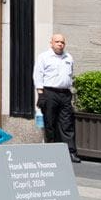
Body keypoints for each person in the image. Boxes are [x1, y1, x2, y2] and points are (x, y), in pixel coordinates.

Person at [33, 32, 80, 162]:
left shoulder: (68, 57)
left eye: (62, 42)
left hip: (65, 93)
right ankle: (51, 152)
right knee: (50, 123)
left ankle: (71, 152)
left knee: (67, 123)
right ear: (51, 43)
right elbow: (38, 75)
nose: (60, 44)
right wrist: (40, 94)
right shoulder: (44, 57)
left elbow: (69, 75)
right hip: (49, 93)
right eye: (57, 42)